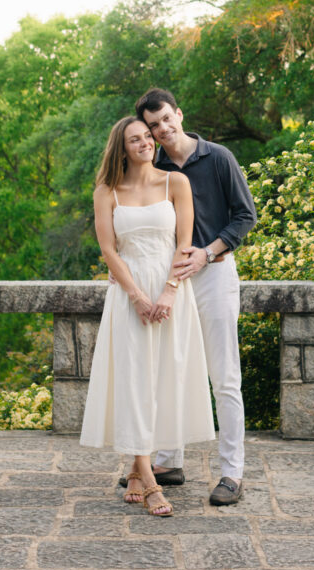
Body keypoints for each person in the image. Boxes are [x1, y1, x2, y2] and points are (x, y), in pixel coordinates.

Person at [79, 116, 215, 517]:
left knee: (161, 381)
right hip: (128, 296)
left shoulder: (176, 183)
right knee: (134, 382)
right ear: (121, 148)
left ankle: (137, 470)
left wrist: (169, 292)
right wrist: (137, 296)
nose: (145, 144)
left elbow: (185, 243)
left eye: (147, 137)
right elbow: (109, 251)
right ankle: (150, 482)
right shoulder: (107, 191)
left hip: (172, 294)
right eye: (135, 140)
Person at [134, 88, 257, 506]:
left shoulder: (218, 157)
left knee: (224, 378)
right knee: (173, 371)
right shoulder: (155, 166)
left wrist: (208, 253)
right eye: (154, 125)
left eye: (166, 119)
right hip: (171, 281)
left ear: (179, 114)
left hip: (215, 275)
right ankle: (169, 461)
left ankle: (232, 473)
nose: (162, 129)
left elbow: (246, 216)